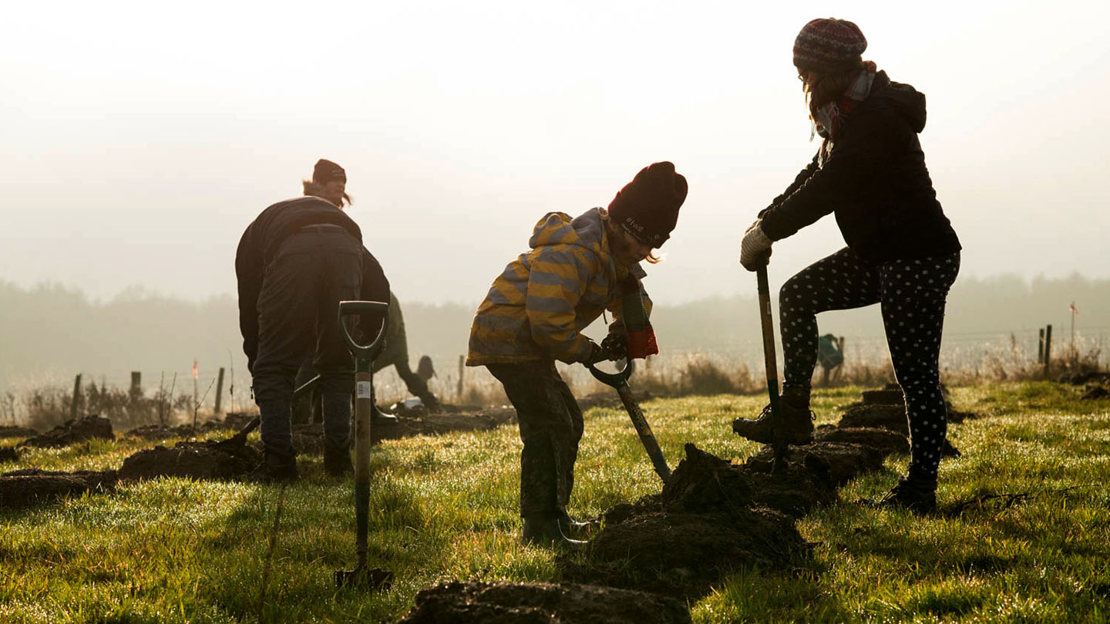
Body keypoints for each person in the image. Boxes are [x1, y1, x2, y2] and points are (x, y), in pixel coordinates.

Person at [732, 19, 961, 514]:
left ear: (833, 70)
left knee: (914, 375)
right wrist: (764, 218)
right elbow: (816, 169)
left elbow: (830, 186)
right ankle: (792, 413)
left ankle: (921, 489)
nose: (804, 84)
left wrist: (770, 231)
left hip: (918, 256)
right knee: (798, 295)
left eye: (808, 73)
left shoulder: (876, 117)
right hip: (878, 254)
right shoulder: (846, 114)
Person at [467, 162, 688, 546]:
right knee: (551, 424)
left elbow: (635, 299)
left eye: (652, 246)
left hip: (528, 343)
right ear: (620, 224)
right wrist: (587, 352)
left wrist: (622, 332)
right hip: (507, 335)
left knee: (569, 420)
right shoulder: (575, 252)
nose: (644, 251)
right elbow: (547, 322)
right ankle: (539, 527)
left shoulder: (613, 257)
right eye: (642, 241)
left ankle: (555, 516)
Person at [236, 159, 389, 481]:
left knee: (275, 366)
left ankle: (279, 465)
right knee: (338, 365)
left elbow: (250, 307)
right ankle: (338, 463)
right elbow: (379, 283)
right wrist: (367, 341)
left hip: (293, 250)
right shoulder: (339, 222)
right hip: (345, 249)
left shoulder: (253, 239)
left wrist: (258, 361)